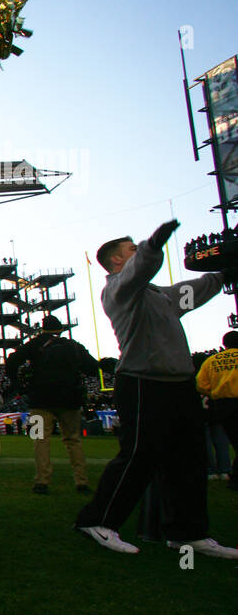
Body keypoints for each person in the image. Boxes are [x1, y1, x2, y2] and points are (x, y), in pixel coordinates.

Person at [74, 222, 238, 558]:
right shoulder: (117, 290)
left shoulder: (160, 295)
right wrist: (154, 243)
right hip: (142, 383)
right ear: (118, 262)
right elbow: (142, 265)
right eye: (131, 249)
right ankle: (97, 522)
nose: (138, 252)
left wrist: (224, 273)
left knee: (189, 462)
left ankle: (187, 534)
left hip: (180, 386)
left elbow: (196, 289)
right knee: (138, 457)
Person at [4, 315, 99, 493]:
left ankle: (42, 481)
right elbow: (92, 367)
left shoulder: (35, 344)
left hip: (40, 400)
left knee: (39, 439)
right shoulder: (73, 346)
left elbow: (12, 362)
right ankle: (81, 481)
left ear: (42, 329)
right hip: (70, 400)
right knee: (73, 440)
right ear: (60, 329)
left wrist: (18, 384)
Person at [195, 331, 238, 488]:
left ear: (224, 344)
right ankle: (230, 475)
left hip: (221, 404)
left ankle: (225, 475)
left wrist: (213, 394)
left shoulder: (211, 361)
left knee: (226, 439)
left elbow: (200, 385)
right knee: (226, 442)